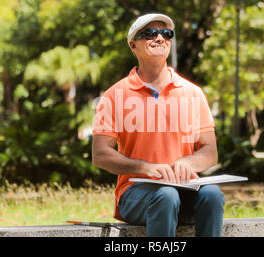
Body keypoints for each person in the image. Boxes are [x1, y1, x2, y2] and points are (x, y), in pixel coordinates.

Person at [92, 13, 225, 237]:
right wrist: (146, 168)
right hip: (136, 193)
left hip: (184, 189)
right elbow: (101, 155)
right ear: (134, 45)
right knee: (165, 196)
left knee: (212, 195)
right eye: (150, 33)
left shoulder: (192, 93)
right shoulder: (115, 95)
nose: (160, 37)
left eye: (166, 33)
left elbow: (210, 152)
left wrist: (189, 162)